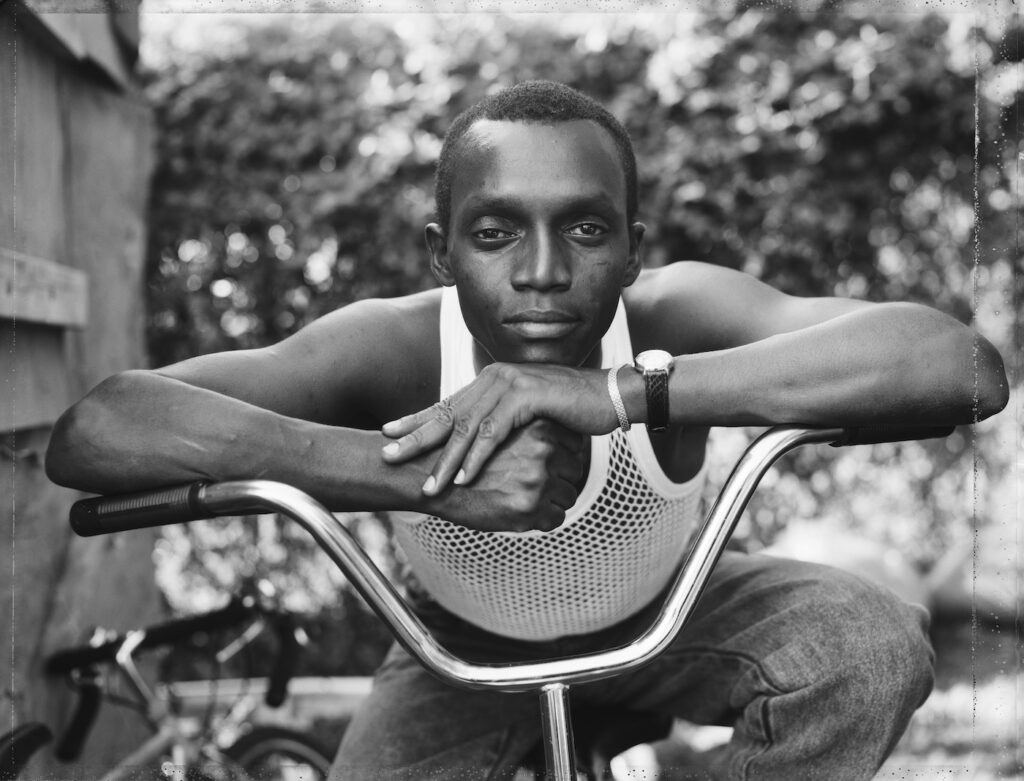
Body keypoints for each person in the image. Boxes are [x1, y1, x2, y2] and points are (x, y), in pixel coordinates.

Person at [46, 81, 1008, 780]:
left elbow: (957, 364)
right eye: (496, 231)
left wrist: (625, 394)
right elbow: (98, 427)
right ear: (443, 251)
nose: (542, 270)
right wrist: (409, 474)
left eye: (586, 231)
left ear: (634, 247)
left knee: (869, 645)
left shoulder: (672, 317)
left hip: (681, 614)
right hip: (456, 657)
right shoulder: (393, 349)